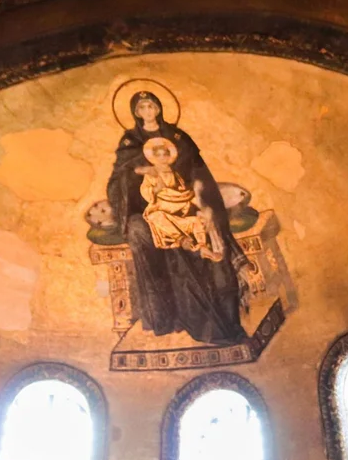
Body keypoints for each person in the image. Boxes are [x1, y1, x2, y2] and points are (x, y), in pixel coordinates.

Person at [105, 91, 249, 344]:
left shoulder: (180, 138)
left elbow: (198, 173)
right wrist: (143, 171)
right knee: (148, 235)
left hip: (185, 204)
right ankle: (167, 315)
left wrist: (204, 204)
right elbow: (119, 180)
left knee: (209, 238)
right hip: (151, 211)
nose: (148, 111)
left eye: (152, 106)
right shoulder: (130, 141)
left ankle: (221, 321)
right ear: (136, 113)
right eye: (142, 108)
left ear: (159, 108)